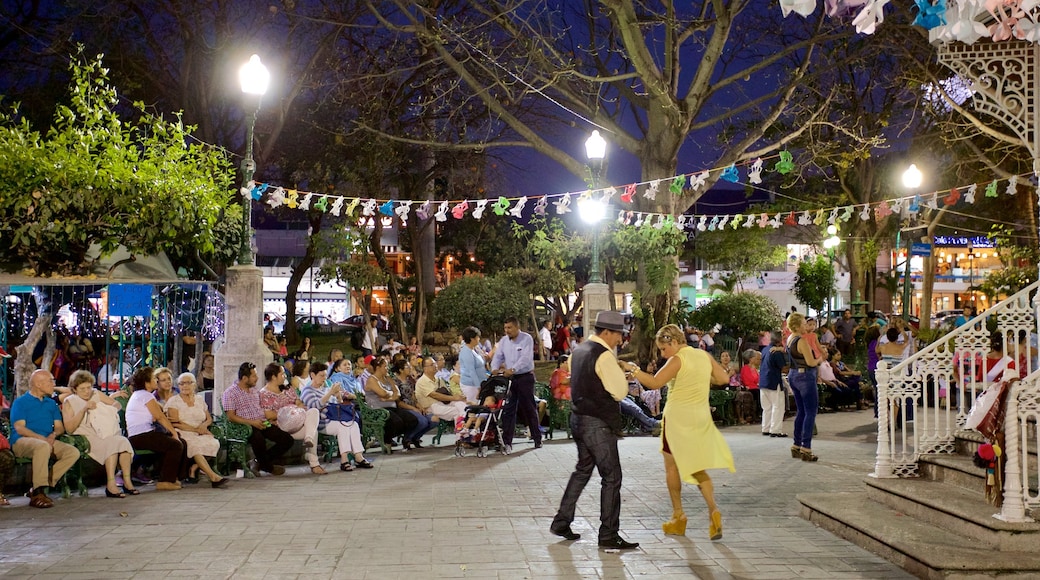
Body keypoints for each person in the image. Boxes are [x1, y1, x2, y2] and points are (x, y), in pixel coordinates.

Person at [626, 323, 734, 541]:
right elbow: (723, 379)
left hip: (677, 419)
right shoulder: (703, 356)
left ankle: (678, 516)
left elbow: (655, 382)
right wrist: (704, 380)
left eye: (664, 349)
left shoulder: (678, 359)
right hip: (700, 417)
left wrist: (633, 370)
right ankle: (713, 510)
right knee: (697, 467)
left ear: (674, 342)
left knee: (672, 466)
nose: (663, 354)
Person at [551, 311, 639, 549]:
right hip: (598, 423)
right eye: (618, 335)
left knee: (582, 470)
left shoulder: (579, 350)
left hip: (578, 418)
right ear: (607, 332)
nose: (620, 340)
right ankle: (609, 534)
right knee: (612, 477)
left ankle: (561, 521)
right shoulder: (604, 355)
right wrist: (625, 372)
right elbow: (620, 392)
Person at [11, 370, 82, 507]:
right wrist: (42, 439)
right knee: (42, 446)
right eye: (50, 381)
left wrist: (53, 435)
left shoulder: (51, 403)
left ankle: (41, 486)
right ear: (38, 384)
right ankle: (38, 493)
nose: (53, 384)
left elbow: (59, 427)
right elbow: (20, 428)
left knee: (72, 452)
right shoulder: (21, 402)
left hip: (46, 440)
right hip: (22, 440)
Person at [61, 370, 136, 498]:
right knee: (112, 443)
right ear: (74, 389)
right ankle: (111, 485)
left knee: (123, 441)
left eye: (89, 387)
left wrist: (105, 408)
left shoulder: (96, 394)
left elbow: (116, 405)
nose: (87, 391)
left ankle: (127, 482)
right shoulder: (70, 401)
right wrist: (84, 409)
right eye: (82, 389)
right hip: (85, 437)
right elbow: (69, 428)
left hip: (104, 432)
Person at [222, 362, 293, 476]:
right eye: (254, 376)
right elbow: (231, 417)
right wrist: (252, 423)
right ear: (245, 378)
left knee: (287, 439)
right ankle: (268, 467)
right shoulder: (230, 393)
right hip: (244, 426)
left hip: (261, 422)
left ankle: (257, 462)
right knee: (258, 439)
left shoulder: (254, 390)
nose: (257, 378)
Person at [300, 362, 373, 471]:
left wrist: (338, 396)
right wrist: (330, 393)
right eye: (321, 375)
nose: (324, 378)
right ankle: (344, 460)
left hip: (335, 418)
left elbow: (337, 404)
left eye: (325, 375)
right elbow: (315, 406)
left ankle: (358, 455)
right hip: (321, 422)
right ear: (312, 375)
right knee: (343, 426)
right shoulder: (307, 391)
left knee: (353, 424)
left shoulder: (326, 387)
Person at [125, 367, 188, 491]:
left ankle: (174, 478)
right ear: (146, 382)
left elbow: (156, 413)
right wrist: (173, 432)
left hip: (143, 434)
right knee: (175, 444)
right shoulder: (145, 395)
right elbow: (160, 417)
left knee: (181, 442)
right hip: (141, 436)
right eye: (154, 378)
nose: (156, 381)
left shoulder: (142, 395)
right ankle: (165, 481)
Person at [258, 362, 325, 475]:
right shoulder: (264, 394)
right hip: (282, 426)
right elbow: (269, 415)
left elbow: (298, 402)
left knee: (313, 413)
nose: (285, 376)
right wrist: (288, 411)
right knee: (313, 430)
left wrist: (296, 407)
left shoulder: (287, 388)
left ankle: (308, 441)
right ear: (274, 377)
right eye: (282, 374)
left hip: (298, 421)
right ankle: (314, 463)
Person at [164, 373, 229, 487]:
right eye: (182, 383)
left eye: (189, 382)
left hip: (200, 431)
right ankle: (213, 477)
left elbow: (209, 418)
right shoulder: (174, 401)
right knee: (195, 446)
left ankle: (194, 468)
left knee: (214, 443)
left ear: (195, 385)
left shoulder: (199, 399)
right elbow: (174, 422)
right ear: (178, 386)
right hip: (183, 431)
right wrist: (196, 430)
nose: (185, 386)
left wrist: (204, 426)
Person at [491, 317, 541, 453]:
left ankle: (537, 438)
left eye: (509, 328)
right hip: (509, 379)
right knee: (508, 409)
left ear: (517, 327)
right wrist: (494, 368)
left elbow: (525, 358)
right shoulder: (503, 341)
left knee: (529, 408)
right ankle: (507, 441)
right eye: (505, 328)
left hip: (525, 377)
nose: (507, 331)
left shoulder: (526, 339)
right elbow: (498, 356)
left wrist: (513, 369)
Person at [786, 312, 825, 462]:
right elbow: (810, 362)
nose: (806, 326)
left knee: (801, 411)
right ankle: (806, 448)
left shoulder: (790, 339)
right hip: (805, 376)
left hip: (793, 375)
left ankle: (796, 445)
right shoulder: (801, 341)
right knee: (810, 411)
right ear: (796, 325)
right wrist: (819, 360)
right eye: (803, 323)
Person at [363, 356, 419, 450]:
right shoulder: (372, 380)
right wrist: (391, 394)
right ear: (378, 368)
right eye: (385, 366)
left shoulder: (388, 378)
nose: (387, 368)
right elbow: (383, 393)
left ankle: (385, 438)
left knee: (412, 420)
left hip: (391, 407)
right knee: (397, 422)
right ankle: (385, 439)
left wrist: (389, 398)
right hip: (378, 410)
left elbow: (398, 394)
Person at [390, 359, 434, 449]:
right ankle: (407, 438)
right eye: (407, 367)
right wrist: (413, 409)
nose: (410, 368)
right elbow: (398, 402)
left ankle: (416, 437)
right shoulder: (395, 382)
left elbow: (413, 397)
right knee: (422, 421)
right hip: (403, 407)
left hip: (413, 405)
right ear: (401, 370)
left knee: (433, 420)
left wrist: (420, 406)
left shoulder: (410, 380)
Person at [415, 356, 468, 423]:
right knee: (456, 412)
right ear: (425, 368)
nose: (435, 366)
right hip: (431, 406)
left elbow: (447, 391)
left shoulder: (438, 379)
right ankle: (461, 431)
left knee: (461, 405)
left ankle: (465, 428)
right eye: (432, 365)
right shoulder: (422, 381)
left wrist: (459, 397)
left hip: (444, 402)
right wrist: (454, 398)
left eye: (435, 363)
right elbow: (435, 395)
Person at [758, 333, 788, 437]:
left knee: (767, 407)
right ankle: (775, 430)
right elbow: (783, 367)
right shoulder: (776, 352)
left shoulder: (765, 350)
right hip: (774, 381)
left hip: (763, 381)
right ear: (780, 340)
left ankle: (765, 428)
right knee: (778, 406)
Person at [459, 326, 489, 403]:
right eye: (478, 337)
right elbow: (471, 371)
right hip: (471, 386)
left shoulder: (473, 350)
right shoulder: (466, 352)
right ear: (472, 339)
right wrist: (478, 388)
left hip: (478, 383)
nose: (479, 339)